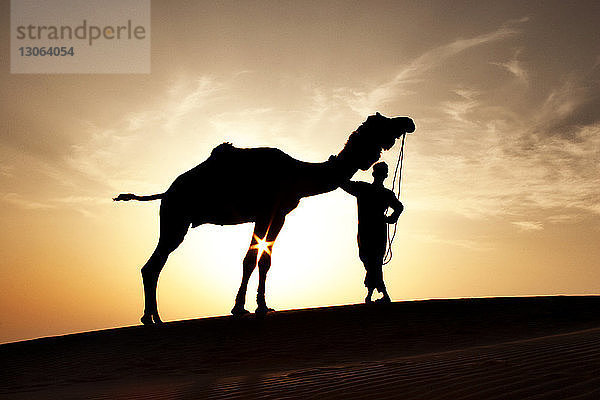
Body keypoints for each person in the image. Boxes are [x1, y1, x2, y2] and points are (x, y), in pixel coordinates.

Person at [341, 161, 403, 303]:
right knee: (372, 262)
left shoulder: (364, 189)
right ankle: (377, 293)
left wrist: (392, 218)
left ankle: (379, 293)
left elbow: (343, 183)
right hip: (372, 231)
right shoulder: (377, 192)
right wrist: (392, 218)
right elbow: (399, 207)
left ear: (374, 173)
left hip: (369, 232)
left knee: (372, 262)